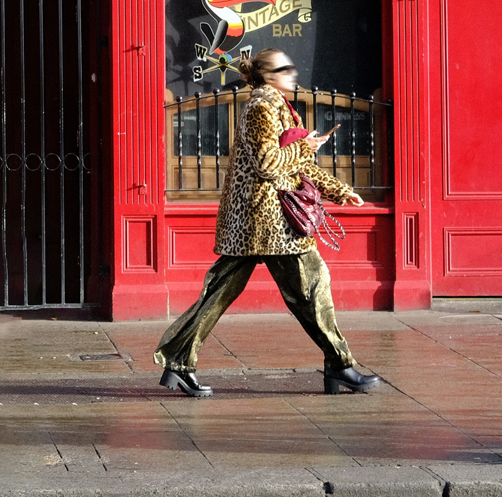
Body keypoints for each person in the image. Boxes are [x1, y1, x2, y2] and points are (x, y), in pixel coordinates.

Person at [154, 48, 379, 397]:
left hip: (259, 220)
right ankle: (340, 366)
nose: (293, 72)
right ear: (268, 76)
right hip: (268, 220)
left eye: (292, 65)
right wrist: (306, 148)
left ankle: (178, 364)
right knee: (313, 286)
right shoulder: (262, 107)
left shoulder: (281, 107)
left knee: (220, 294)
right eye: (284, 68)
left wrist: (338, 189)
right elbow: (268, 164)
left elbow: (296, 166)